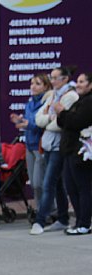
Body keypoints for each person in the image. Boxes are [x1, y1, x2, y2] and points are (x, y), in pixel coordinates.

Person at [30, 67, 78, 235]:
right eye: (52, 77)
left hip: (59, 145)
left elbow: (59, 124)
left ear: (65, 79)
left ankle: (40, 220)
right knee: (57, 184)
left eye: (56, 78)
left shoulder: (70, 96)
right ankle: (63, 218)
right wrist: (49, 118)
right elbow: (38, 119)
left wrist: (48, 120)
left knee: (48, 182)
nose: (53, 81)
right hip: (48, 144)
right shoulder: (52, 96)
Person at [55, 72, 92, 235]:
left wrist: (62, 112)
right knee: (71, 187)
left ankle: (85, 222)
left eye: (82, 81)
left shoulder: (89, 102)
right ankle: (79, 221)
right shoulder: (80, 101)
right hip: (69, 150)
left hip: (81, 150)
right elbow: (63, 123)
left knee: (83, 187)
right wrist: (62, 115)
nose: (78, 84)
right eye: (77, 81)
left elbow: (76, 122)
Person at [10, 73, 51, 205]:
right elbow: (29, 121)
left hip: (40, 145)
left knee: (40, 182)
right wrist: (21, 121)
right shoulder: (29, 103)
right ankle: (41, 210)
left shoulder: (46, 103)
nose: (33, 86)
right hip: (30, 145)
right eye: (32, 83)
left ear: (45, 87)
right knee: (33, 183)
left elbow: (42, 123)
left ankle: (49, 209)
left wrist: (29, 124)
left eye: (37, 84)